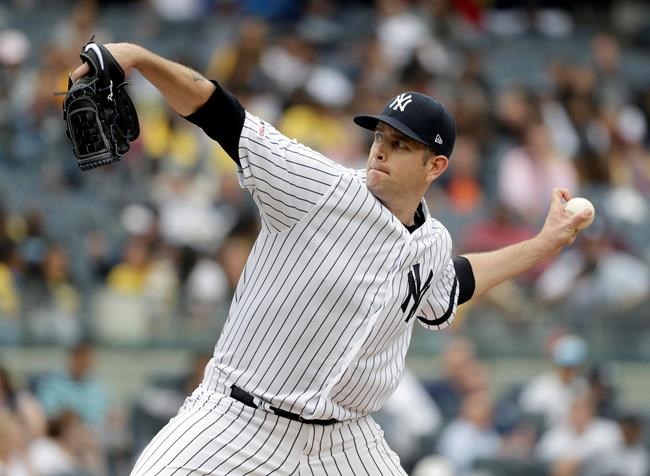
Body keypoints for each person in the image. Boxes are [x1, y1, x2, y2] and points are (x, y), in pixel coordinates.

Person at [71, 42, 592, 475]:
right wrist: (138, 58)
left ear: (435, 165)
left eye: (402, 144)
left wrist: (545, 244)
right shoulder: (315, 186)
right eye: (381, 136)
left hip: (344, 443)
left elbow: (451, 286)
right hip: (237, 421)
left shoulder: (431, 240)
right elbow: (220, 113)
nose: (381, 149)